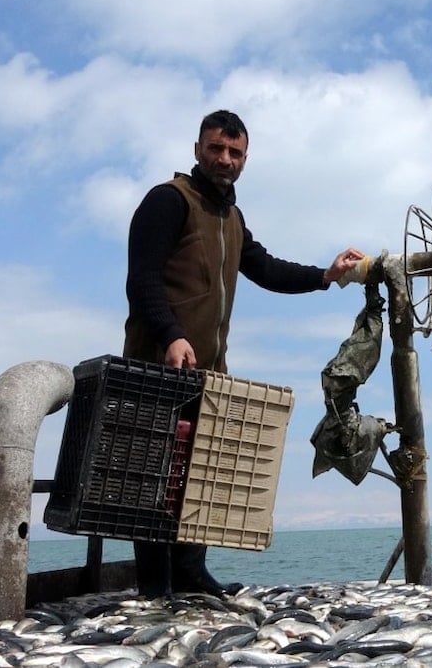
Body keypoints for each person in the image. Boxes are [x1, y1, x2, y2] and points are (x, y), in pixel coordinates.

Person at [123, 109, 364, 598]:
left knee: (203, 471)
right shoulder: (168, 201)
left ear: (245, 159)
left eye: (234, 153)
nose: (224, 160)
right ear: (197, 150)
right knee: (155, 474)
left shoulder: (231, 218)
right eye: (215, 148)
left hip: (209, 371)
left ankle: (191, 574)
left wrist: (325, 275)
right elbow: (141, 278)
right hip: (156, 361)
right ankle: (155, 587)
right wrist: (171, 333)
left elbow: (266, 268)